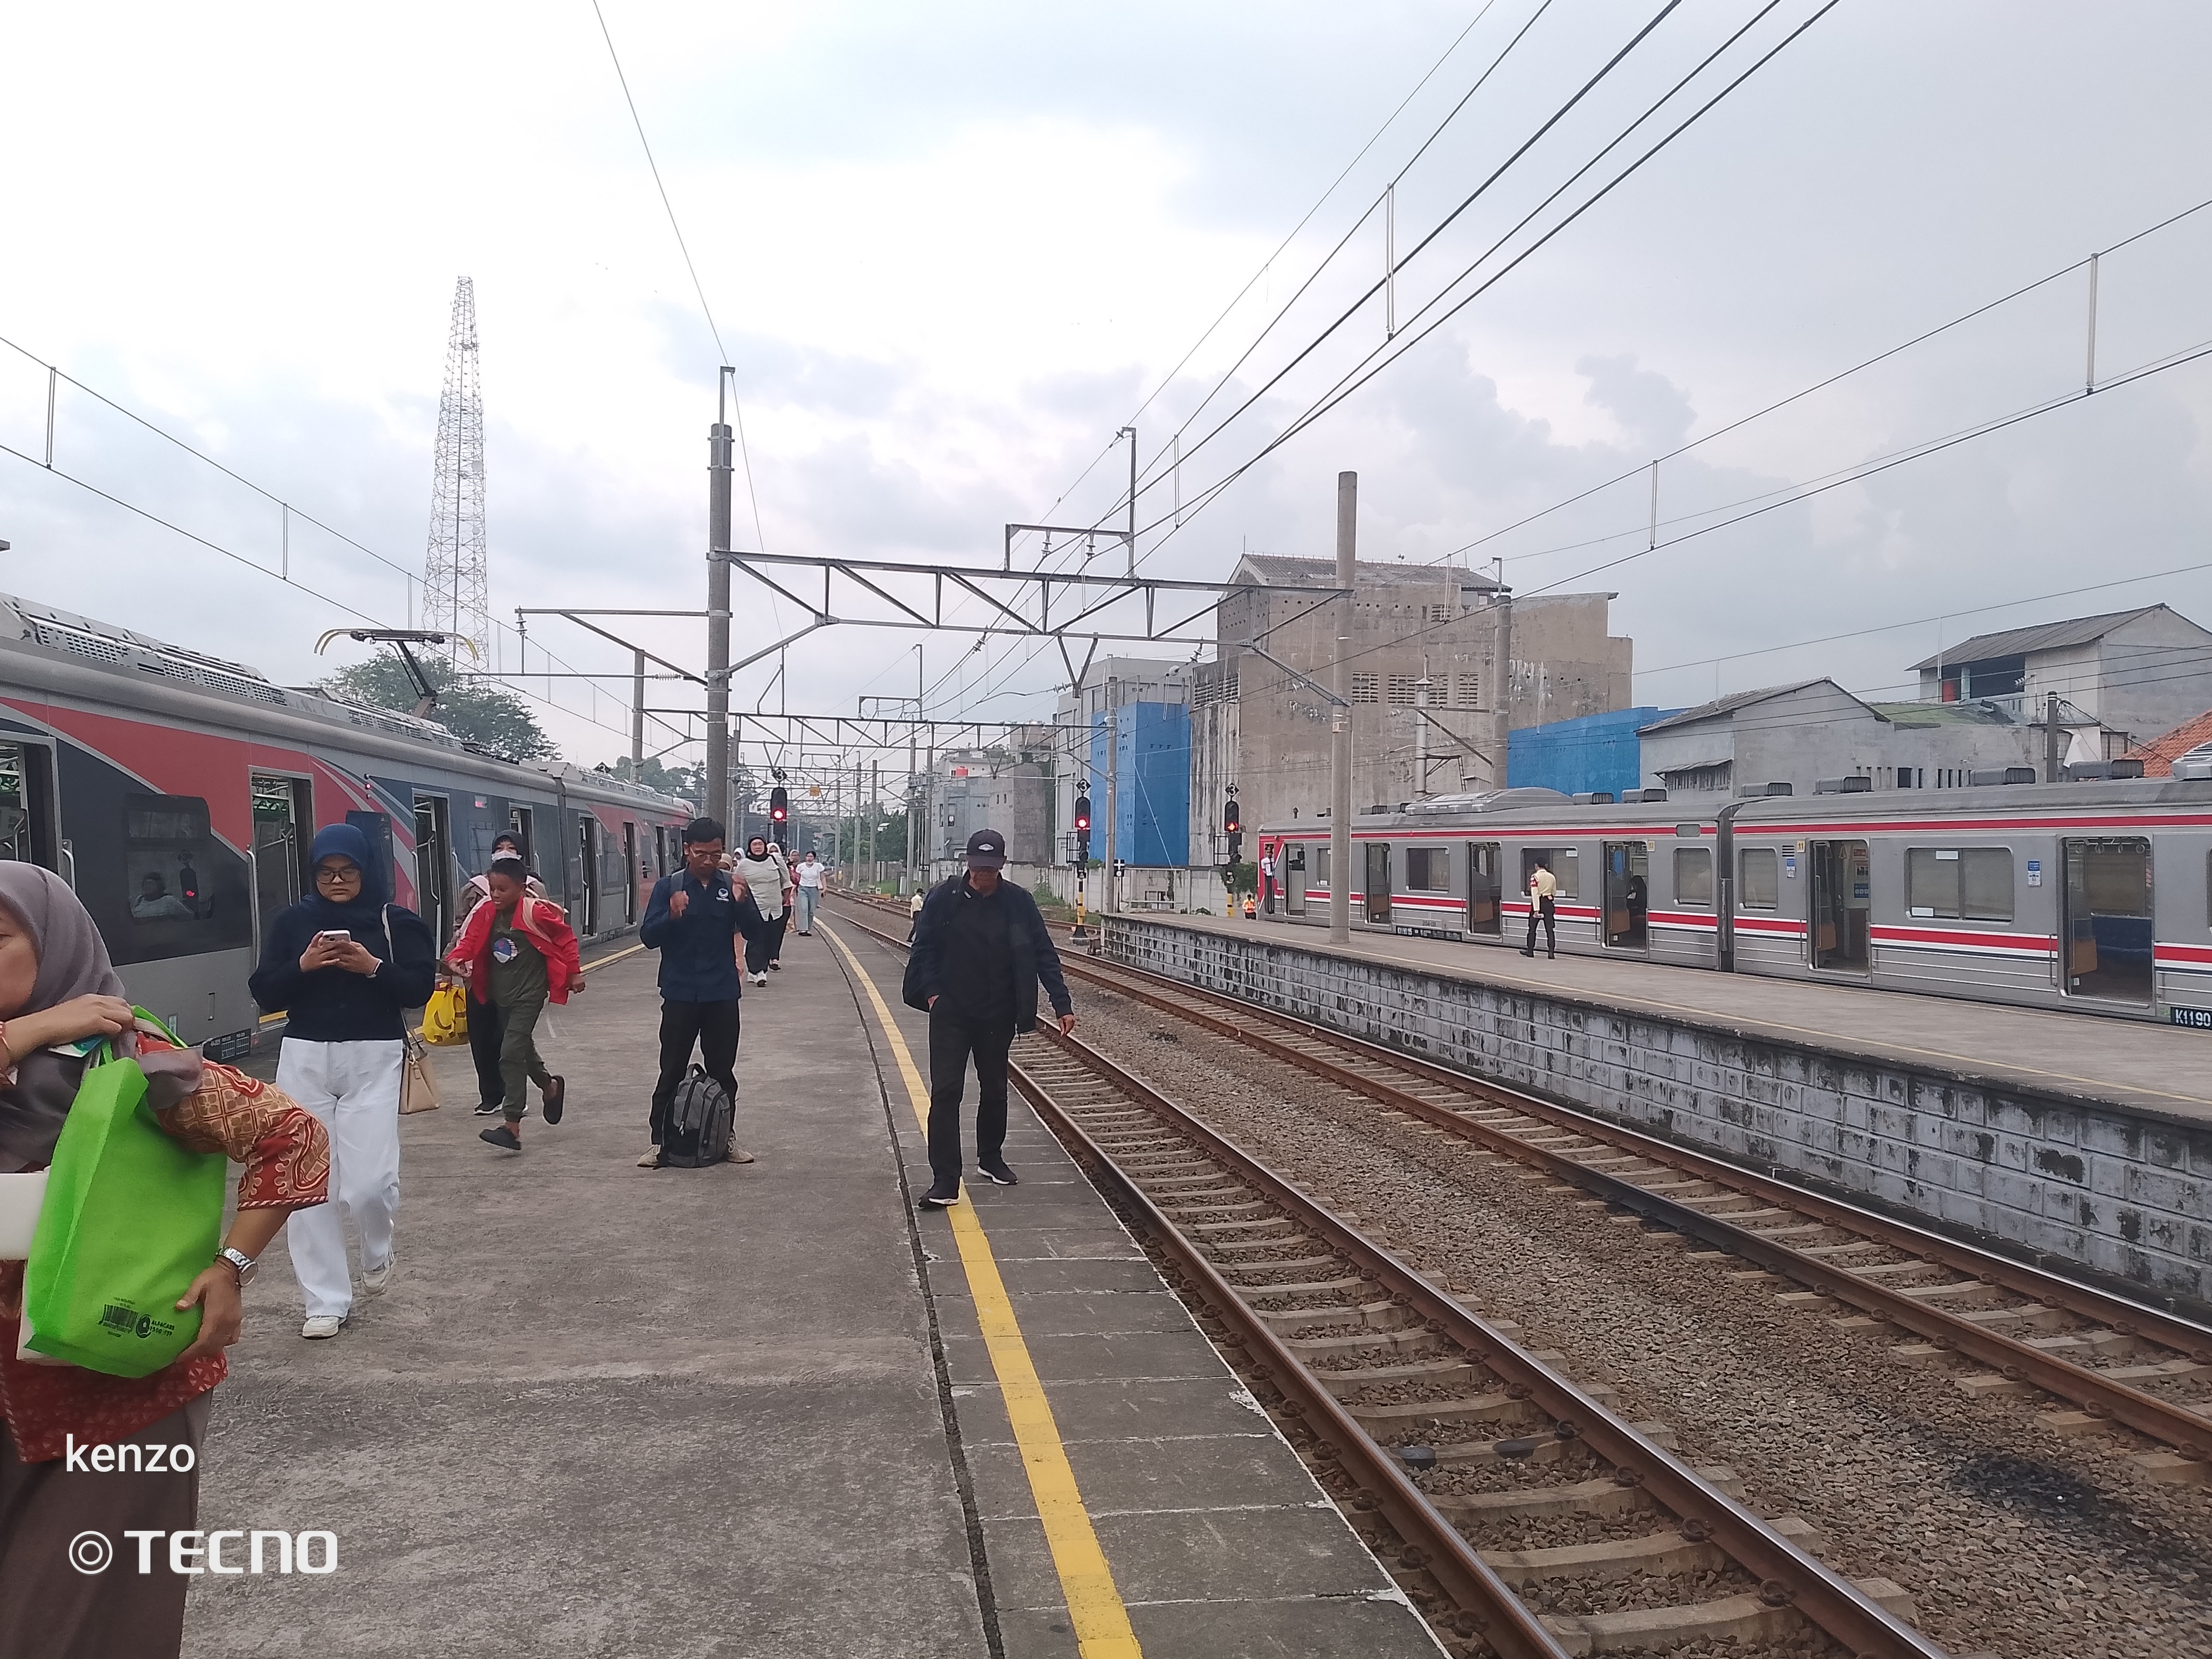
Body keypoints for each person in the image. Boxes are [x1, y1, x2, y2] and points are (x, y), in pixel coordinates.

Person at [1, 864, 329, 1659]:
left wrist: (231, 1266)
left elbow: (294, 1138)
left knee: (75, 1627)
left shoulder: (129, 1060)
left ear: (56, 945)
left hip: (115, 1392)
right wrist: (20, 1036)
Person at [248, 823, 438, 1339]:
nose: (336, 880)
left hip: (372, 1057)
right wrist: (304, 965)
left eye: (347, 871)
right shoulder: (294, 922)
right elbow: (265, 992)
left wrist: (372, 966)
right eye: (326, 872)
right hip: (304, 1056)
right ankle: (324, 1301)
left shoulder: (395, 922)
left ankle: (378, 1246)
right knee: (309, 1188)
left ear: (366, 871)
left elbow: (420, 986)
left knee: (369, 1184)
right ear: (312, 873)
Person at [903, 828, 1074, 1208]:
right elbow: (925, 947)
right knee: (947, 1092)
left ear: (1002, 865)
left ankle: (991, 1157)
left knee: (995, 1088)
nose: (984, 876)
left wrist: (1062, 1003)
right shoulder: (944, 899)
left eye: (991, 869)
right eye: (979, 868)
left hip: (998, 1012)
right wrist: (933, 994)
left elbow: (1044, 953)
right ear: (968, 863)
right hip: (951, 1012)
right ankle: (946, 1179)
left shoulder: (1018, 902)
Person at [638, 818, 766, 1169]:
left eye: (715, 853)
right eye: (701, 854)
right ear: (686, 851)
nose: (709, 860)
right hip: (680, 992)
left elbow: (758, 934)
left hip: (722, 992)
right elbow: (648, 937)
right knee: (672, 1069)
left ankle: (725, 1139)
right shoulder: (670, 887)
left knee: (723, 1071)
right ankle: (659, 1143)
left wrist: (742, 904)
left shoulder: (733, 885)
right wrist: (672, 916)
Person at [446, 858, 584, 1152]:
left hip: (529, 994)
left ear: (521, 889)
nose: (495, 895)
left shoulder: (536, 911)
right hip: (500, 993)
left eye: (502, 890)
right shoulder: (485, 911)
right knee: (520, 1046)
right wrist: (457, 958)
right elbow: (470, 940)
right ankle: (550, 1087)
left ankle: (512, 1125)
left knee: (509, 1052)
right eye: (493, 888)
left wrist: (574, 972)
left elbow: (566, 939)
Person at [455, 832, 546, 1116]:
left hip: (519, 982)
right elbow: (462, 929)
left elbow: (553, 934)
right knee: (483, 1036)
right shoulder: (474, 889)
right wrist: (455, 961)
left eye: (511, 848)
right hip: (481, 977)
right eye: (499, 848)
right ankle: (491, 1094)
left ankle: (514, 1101)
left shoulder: (533, 890)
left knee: (510, 1042)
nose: (504, 852)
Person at [732, 834, 790, 987]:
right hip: (753, 908)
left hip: (774, 908)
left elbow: (787, 882)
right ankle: (759, 971)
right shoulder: (743, 865)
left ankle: (755, 971)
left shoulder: (776, 861)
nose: (758, 847)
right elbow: (736, 885)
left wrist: (785, 899)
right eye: (754, 844)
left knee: (771, 939)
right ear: (750, 847)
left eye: (760, 844)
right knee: (757, 939)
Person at [1520, 859, 1557, 959]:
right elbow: (1554, 892)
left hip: (1539, 903)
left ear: (1537, 866)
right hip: (1549, 904)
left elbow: (1535, 894)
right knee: (1550, 930)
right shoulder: (1552, 877)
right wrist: (1549, 896)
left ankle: (1530, 951)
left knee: (1532, 929)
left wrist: (1536, 910)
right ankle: (1551, 953)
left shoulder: (1535, 877)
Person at [130, 872, 195, 921]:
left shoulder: (169, 901)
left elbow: (189, 917)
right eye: (146, 884)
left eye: (151, 884)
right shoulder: (139, 900)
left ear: (159, 886)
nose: (148, 887)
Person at [792, 849, 824, 936]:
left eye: (811, 857)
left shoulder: (819, 866)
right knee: (804, 909)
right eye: (808, 857)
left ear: (814, 858)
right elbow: (797, 879)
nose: (809, 858)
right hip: (803, 889)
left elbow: (823, 878)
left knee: (811, 911)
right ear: (805, 857)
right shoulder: (801, 867)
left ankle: (808, 928)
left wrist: (825, 889)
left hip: (814, 889)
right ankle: (803, 929)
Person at [1259, 847, 1277, 915]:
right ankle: (1269, 909)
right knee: (1269, 892)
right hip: (1268, 877)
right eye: (1268, 852)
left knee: (1274, 892)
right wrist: (1267, 873)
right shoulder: (1264, 861)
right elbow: (1263, 869)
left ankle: (1273, 908)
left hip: (1274, 876)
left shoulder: (1274, 860)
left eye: (1270, 852)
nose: (1269, 854)